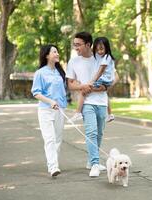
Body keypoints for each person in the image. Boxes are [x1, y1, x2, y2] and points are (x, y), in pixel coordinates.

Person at [66, 31, 108, 177]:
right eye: (74, 45)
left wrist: (101, 87)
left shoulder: (100, 58)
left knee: (99, 133)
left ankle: (91, 161)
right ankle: (95, 163)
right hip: (87, 102)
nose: (76, 48)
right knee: (91, 132)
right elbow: (71, 84)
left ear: (88, 45)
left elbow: (111, 78)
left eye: (78, 45)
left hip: (102, 101)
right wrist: (82, 86)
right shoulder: (73, 62)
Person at [31, 44, 67, 177]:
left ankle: (53, 163)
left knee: (58, 139)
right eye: (54, 52)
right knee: (50, 139)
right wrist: (50, 101)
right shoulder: (40, 73)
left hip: (60, 110)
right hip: (46, 110)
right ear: (47, 55)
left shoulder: (60, 72)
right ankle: (53, 167)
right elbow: (36, 93)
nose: (57, 54)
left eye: (57, 52)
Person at [70, 37, 115, 123]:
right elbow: (90, 51)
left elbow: (101, 71)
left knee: (84, 90)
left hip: (103, 79)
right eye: (97, 49)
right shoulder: (100, 55)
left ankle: (78, 112)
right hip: (106, 80)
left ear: (107, 47)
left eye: (101, 49)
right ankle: (110, 114)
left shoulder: (107, 57)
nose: (99, 51)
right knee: (103, 91)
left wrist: (92, 81)